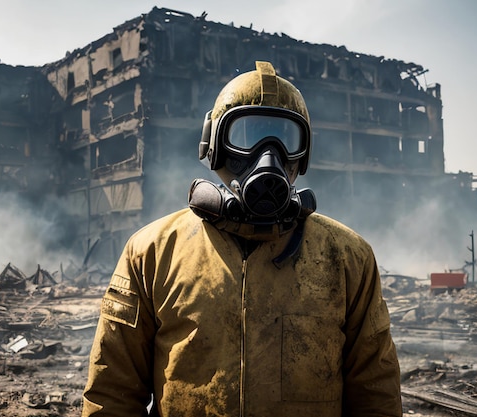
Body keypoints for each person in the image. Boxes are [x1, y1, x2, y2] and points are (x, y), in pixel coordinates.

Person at [81, 61, 402, 416]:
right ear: (215, 144)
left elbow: (376, 395)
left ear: (303, 154)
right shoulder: (152, 252)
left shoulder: (346, 257)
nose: (269, 155)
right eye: (248, 136)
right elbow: (112, 393)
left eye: (285, 140)